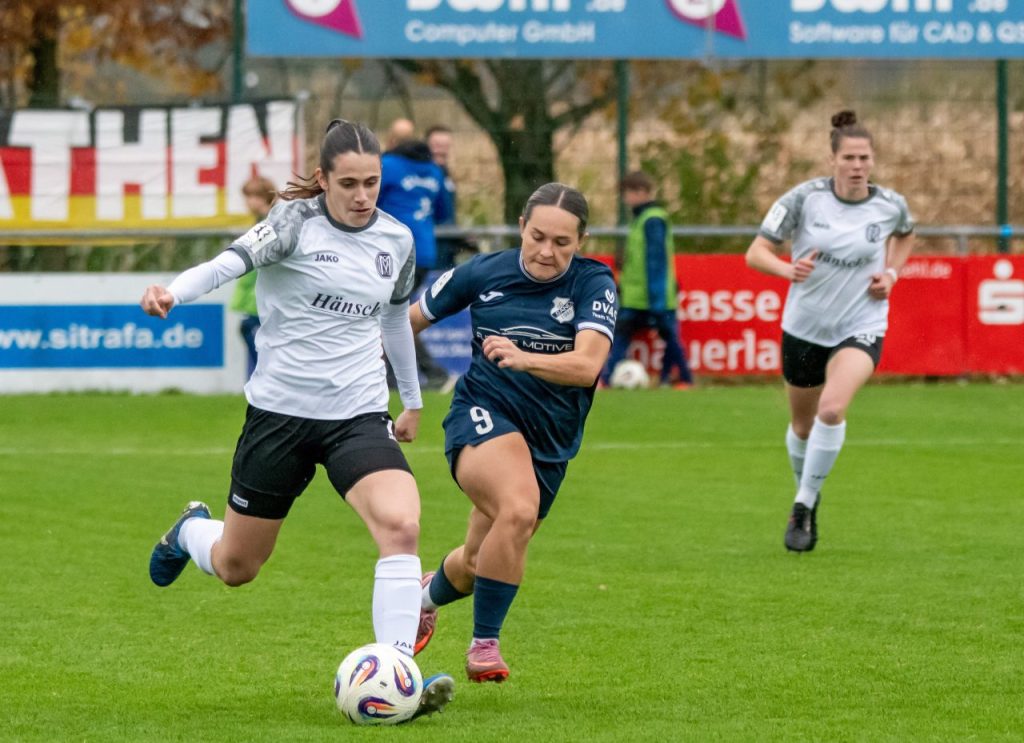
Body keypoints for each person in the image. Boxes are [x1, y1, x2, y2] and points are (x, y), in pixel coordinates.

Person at [140, 119, 454, 719]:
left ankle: (397, 672)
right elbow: (227, 264)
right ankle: (188, 531)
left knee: (401, 525)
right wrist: (173, 293)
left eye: (373, 183)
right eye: (350, 184)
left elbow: (393, 320)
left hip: (357, 416)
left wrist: (410, 399)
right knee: (237, 566)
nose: (363, 197)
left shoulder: (397, 239)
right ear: (322, 180)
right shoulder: (292, 226)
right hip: (280, 416)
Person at [408, 183, 617, 683]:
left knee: (479, 562)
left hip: (551, 437)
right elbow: (407, 321)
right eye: (538, 236)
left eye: (562, 243)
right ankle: (485, 646)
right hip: (483, 412)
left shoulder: (594, 284)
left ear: (581, 241)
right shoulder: (483, 272)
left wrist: (526, 358)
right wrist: (387, 388)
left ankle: (418, 599)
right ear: (521, 227)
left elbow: (588, 366)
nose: (547, 252)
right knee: (518, 509)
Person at [745, 110, 915, 553]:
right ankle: (810, 494)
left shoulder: (890, 204)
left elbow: (906, 235)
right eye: (850, 157)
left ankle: (802, 503)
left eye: (865, 158)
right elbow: (755, 252)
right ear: (833, 159)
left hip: (861, 324)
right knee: (802, 426)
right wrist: (788, 269)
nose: (858, 166)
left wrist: (892, 276)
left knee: (832, 410)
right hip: (804, 327)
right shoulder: (804, 200)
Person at [378, 118, 456, 391]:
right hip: (424, 251)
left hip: (395, 251)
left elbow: (367, 202)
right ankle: (392, 377)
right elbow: (445, 213)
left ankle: (431, 372)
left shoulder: (388, 166)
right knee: (390, 313)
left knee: (390, 314)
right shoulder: (435, 171)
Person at [601, 171, 693, 389]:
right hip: (636, 295)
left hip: (651, 296)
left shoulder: (652, 220)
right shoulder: (641, 219)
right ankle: (606, 380)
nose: (625, 199)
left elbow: (656, 262)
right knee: (625, 334)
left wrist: (656, 300)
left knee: (667, 336)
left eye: (628, 194)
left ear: (641, 192)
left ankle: (683, 379)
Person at [229, 176, 276, 379]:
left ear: (262, 197)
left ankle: (267, 382)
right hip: (254, 296)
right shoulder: (260, 222)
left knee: (254, 336)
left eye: (251, 197)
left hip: (262, 297)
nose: (247, 202)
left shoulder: (270, 224)